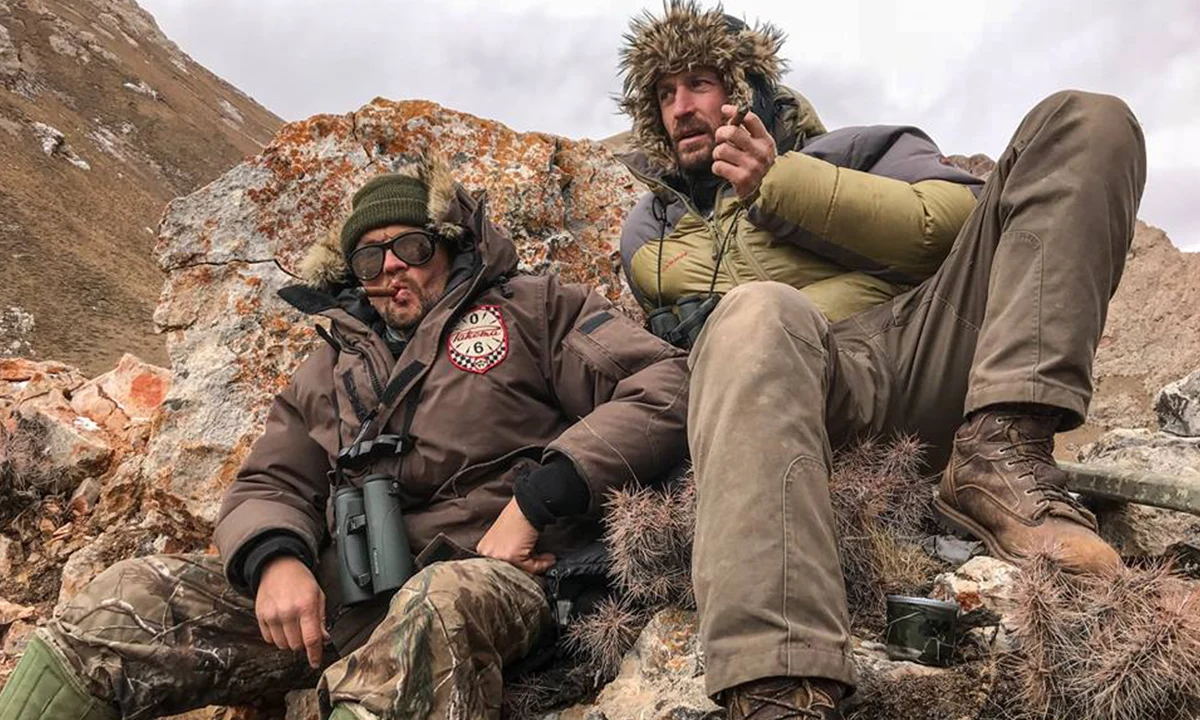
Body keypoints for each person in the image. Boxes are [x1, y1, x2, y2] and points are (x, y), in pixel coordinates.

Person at [0, 156, 689, 720]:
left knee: (433, 610)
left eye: (410, 248)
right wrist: (276, 560)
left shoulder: (538, 309)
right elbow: (270, 482)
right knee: (130, 601)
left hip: (498, 583)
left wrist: (537, 501)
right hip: (349, 602)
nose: (392, 269)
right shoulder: (329, 365)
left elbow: (664, 384)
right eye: (369, 260)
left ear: (446, 244)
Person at [615, 1, 1146, 718]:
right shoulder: (651, 228)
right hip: (800, 388)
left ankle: (1002, 455)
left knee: (1089, 119)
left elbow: (956, 224)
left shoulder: (859, 148)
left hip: (926, 347)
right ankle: (779, 689)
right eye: (664, 93)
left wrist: (779, 185)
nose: (681, 107)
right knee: (758, 311)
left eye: (701, 82)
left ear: (752, 87)